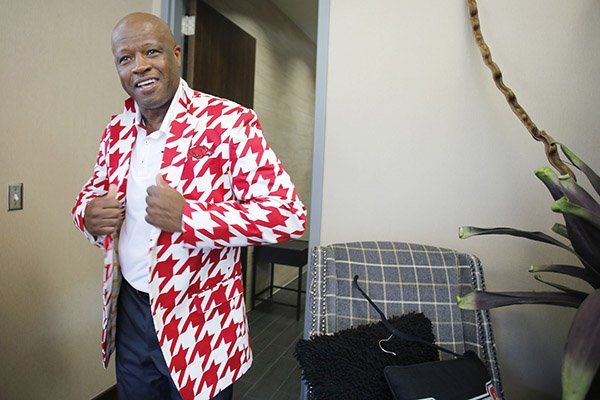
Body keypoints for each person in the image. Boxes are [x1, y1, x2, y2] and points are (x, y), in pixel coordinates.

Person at [72, 12, 306, 400]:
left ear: (176, 54)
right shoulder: (116, 130)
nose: (140, 66)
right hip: (130, 311)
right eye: (125, 58)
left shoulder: (229, 122)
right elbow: (88, 196)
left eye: (151, 51)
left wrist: (189, 216)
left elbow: (287, 213)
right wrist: (88, 215)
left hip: (201, 318)